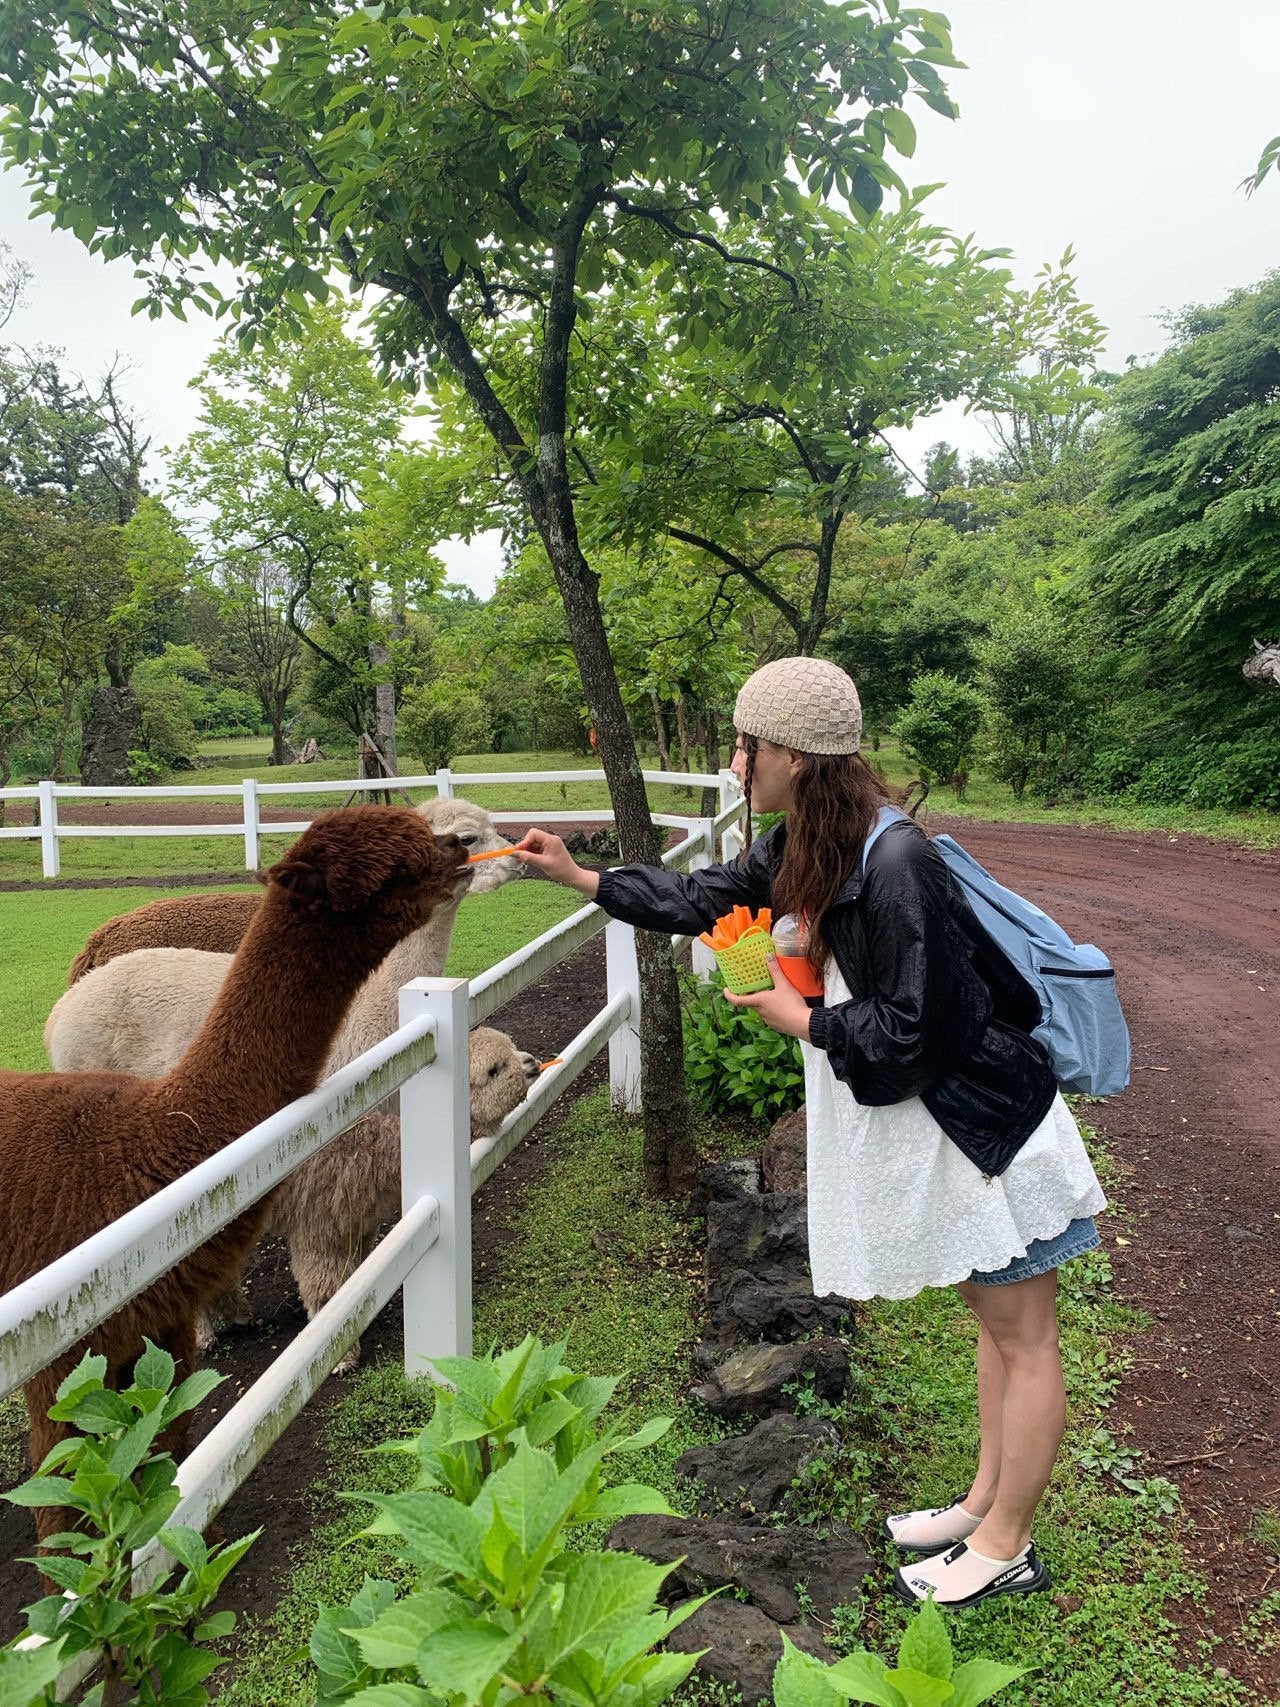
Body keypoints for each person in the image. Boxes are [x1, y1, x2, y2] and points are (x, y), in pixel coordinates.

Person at [513, 656, 1105, 1609]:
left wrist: (805, 1020)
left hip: (992, 1127)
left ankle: (1008, 1545)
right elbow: (706, 896)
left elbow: (925, 1031)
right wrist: (582, 878)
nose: (736, 762)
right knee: (993, 1327)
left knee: (1025, 1334)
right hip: (952, 1130)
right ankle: (984, 1503)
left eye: (744, 745)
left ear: (789, 750)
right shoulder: (810, 839)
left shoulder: (898, 861)